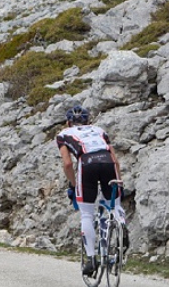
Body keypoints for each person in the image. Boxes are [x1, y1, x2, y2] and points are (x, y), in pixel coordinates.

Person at [56, 105, 127, 276]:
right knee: (115, 205)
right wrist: (120, 183)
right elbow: (116, 161)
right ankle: (122, 225)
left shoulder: (63, 135)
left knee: (86, 214)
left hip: (86, 163)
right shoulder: (100, 130)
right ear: (90, 121)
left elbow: (67, 164)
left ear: (68, 122)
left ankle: (91, 260)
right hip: (108, 162)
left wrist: (73, 185)